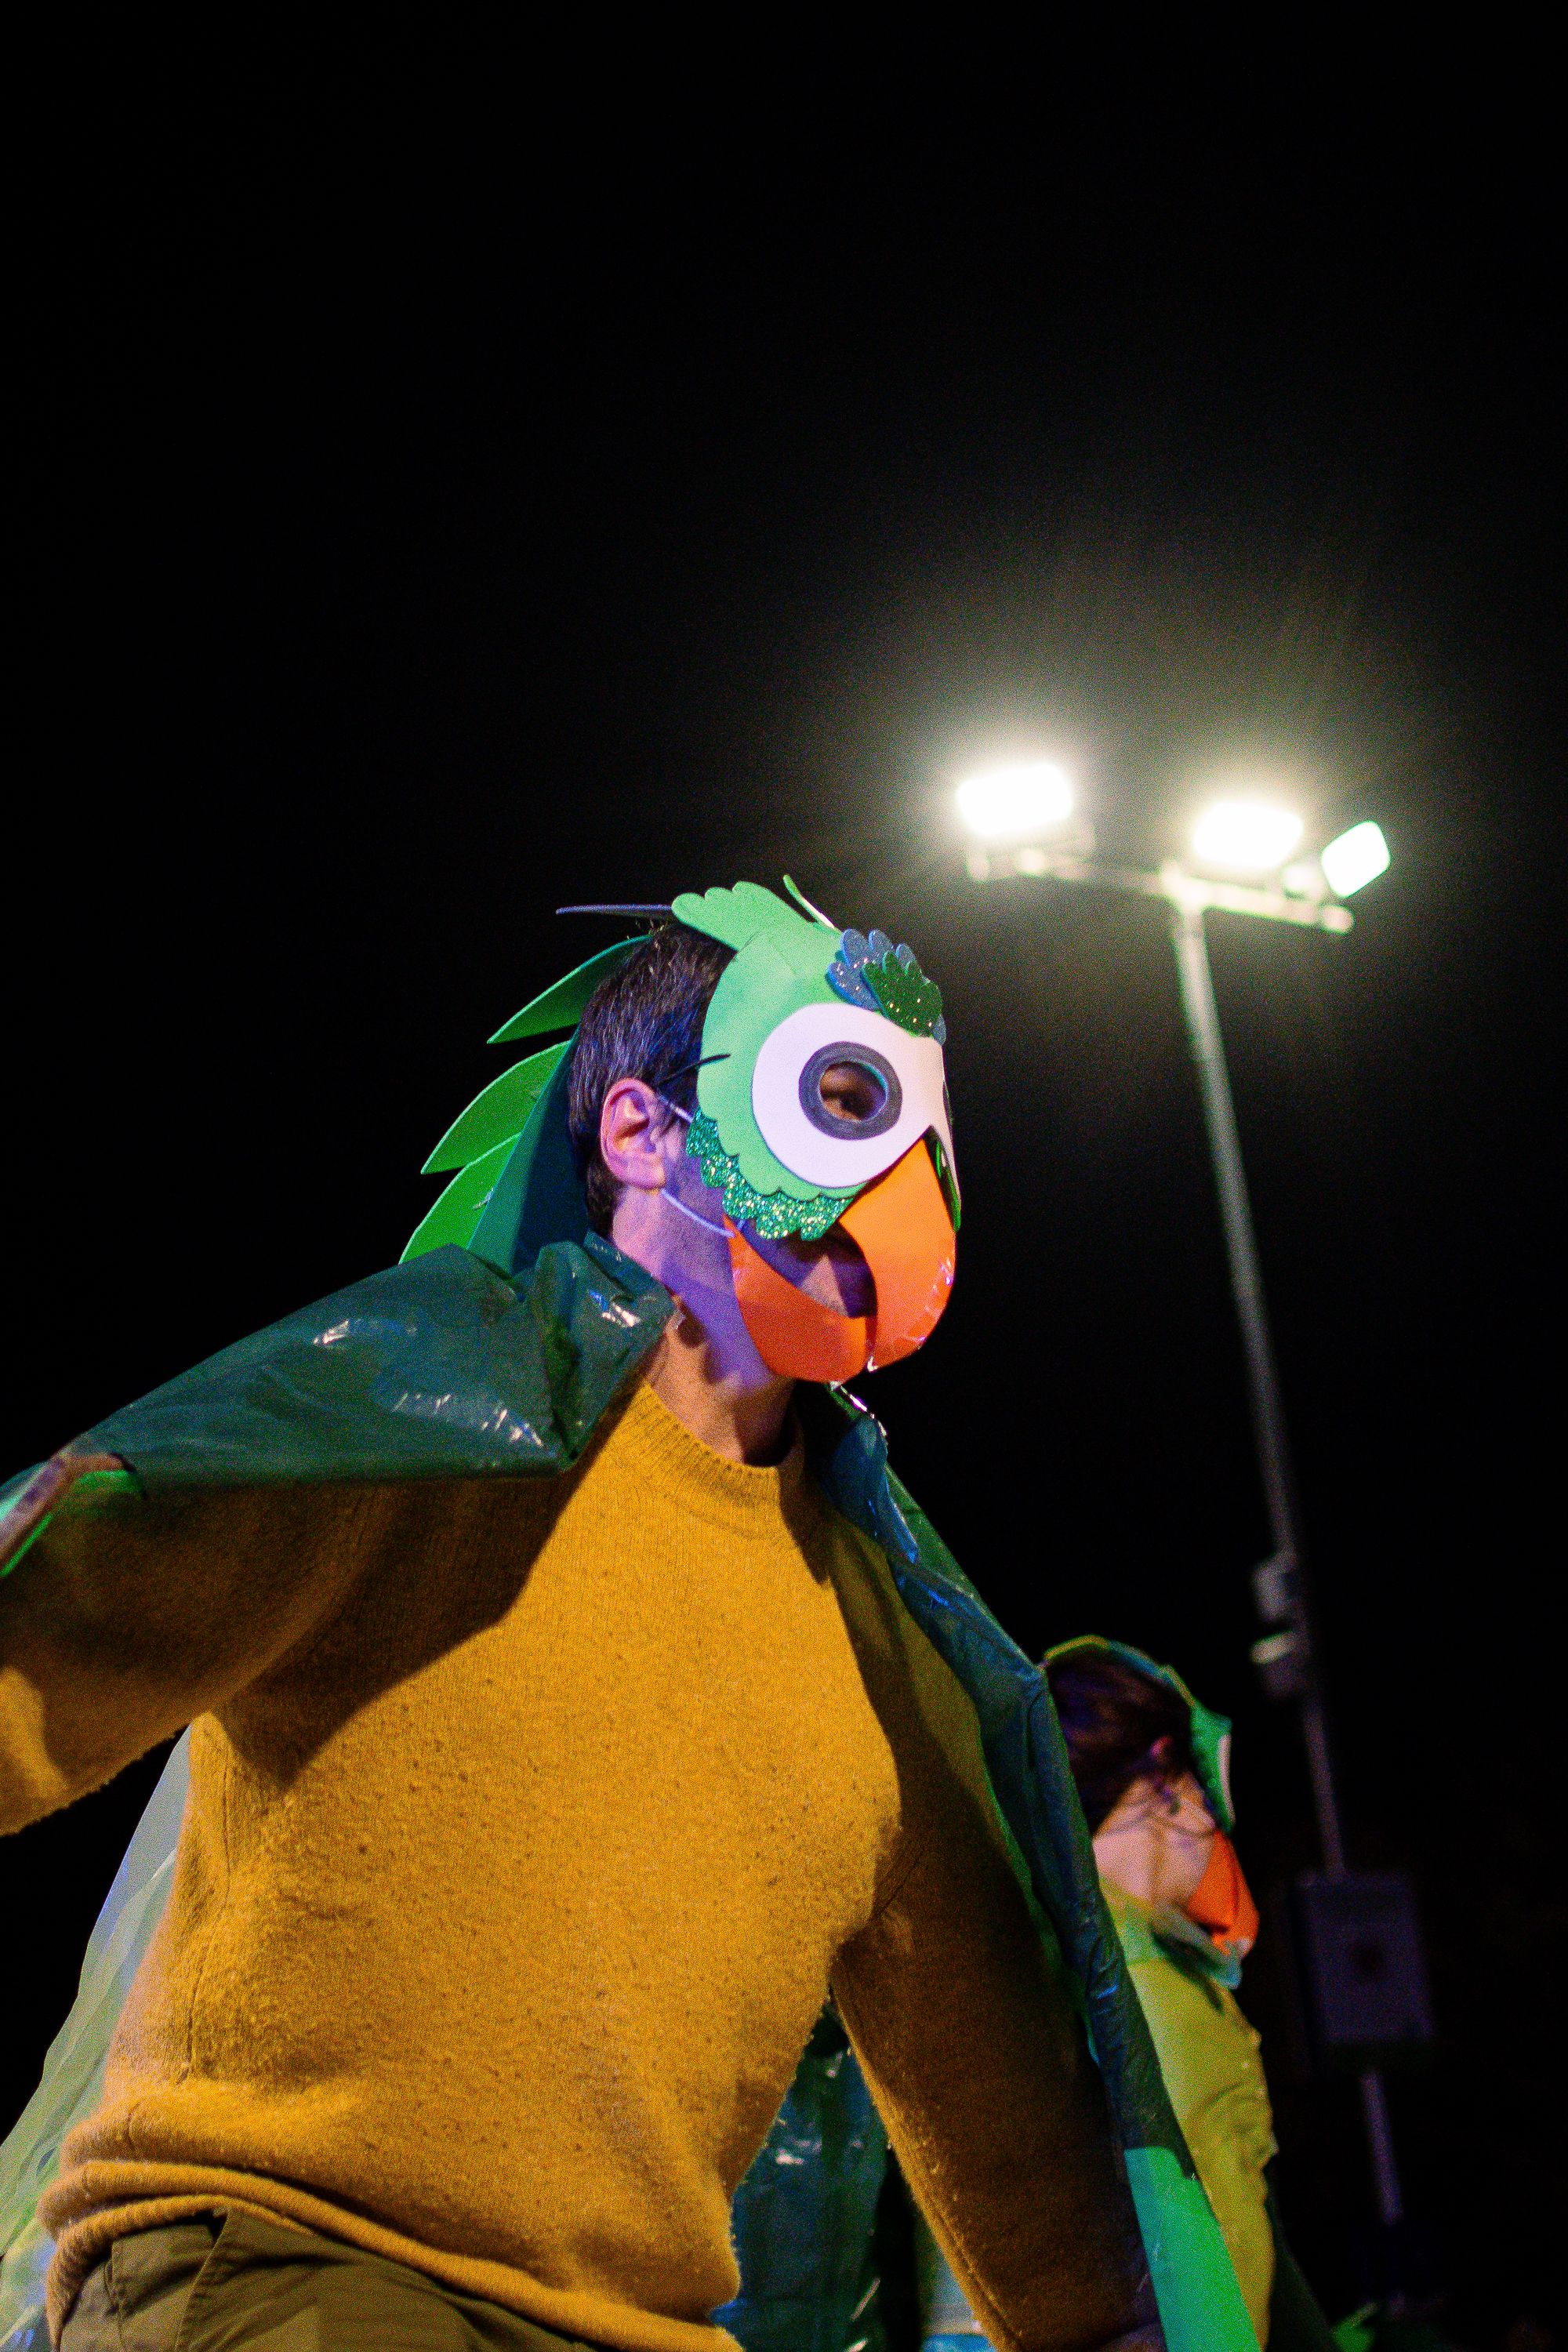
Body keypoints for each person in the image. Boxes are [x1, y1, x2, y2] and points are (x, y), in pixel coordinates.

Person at [0, 884, 1259, 2352]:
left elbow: (1033, 2150)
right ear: (645, 1131)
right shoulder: (419, 1421)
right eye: (843, 1099)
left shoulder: (886, 1648)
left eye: (929, 1130)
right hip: (292, 2257)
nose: (904, 1177)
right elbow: (52, 1613)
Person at [906, 1639, 1336, 2352]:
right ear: (1166, 1775)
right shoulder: (1146, 1988)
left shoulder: (1007, 1964)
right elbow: (1203, 2264)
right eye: (1199, 1787)